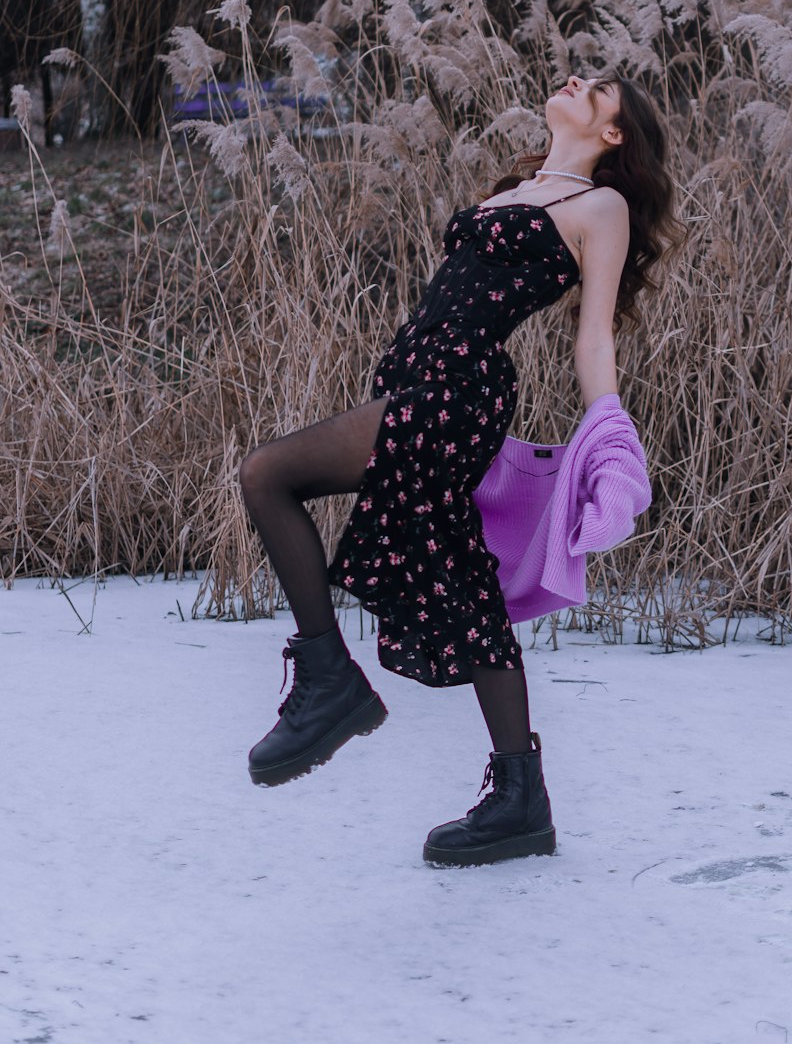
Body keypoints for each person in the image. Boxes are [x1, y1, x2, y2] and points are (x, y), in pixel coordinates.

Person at [237, 69, 686, 866]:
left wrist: (611, 436)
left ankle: (328, 679)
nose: (578, 80)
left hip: (460, 392)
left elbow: (594, 339)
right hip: (416, 381)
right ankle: (520, 798)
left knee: (268, 475)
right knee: (461, 577)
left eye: (599, 89)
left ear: (614, 134)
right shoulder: (519, 186)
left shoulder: (600, 206)